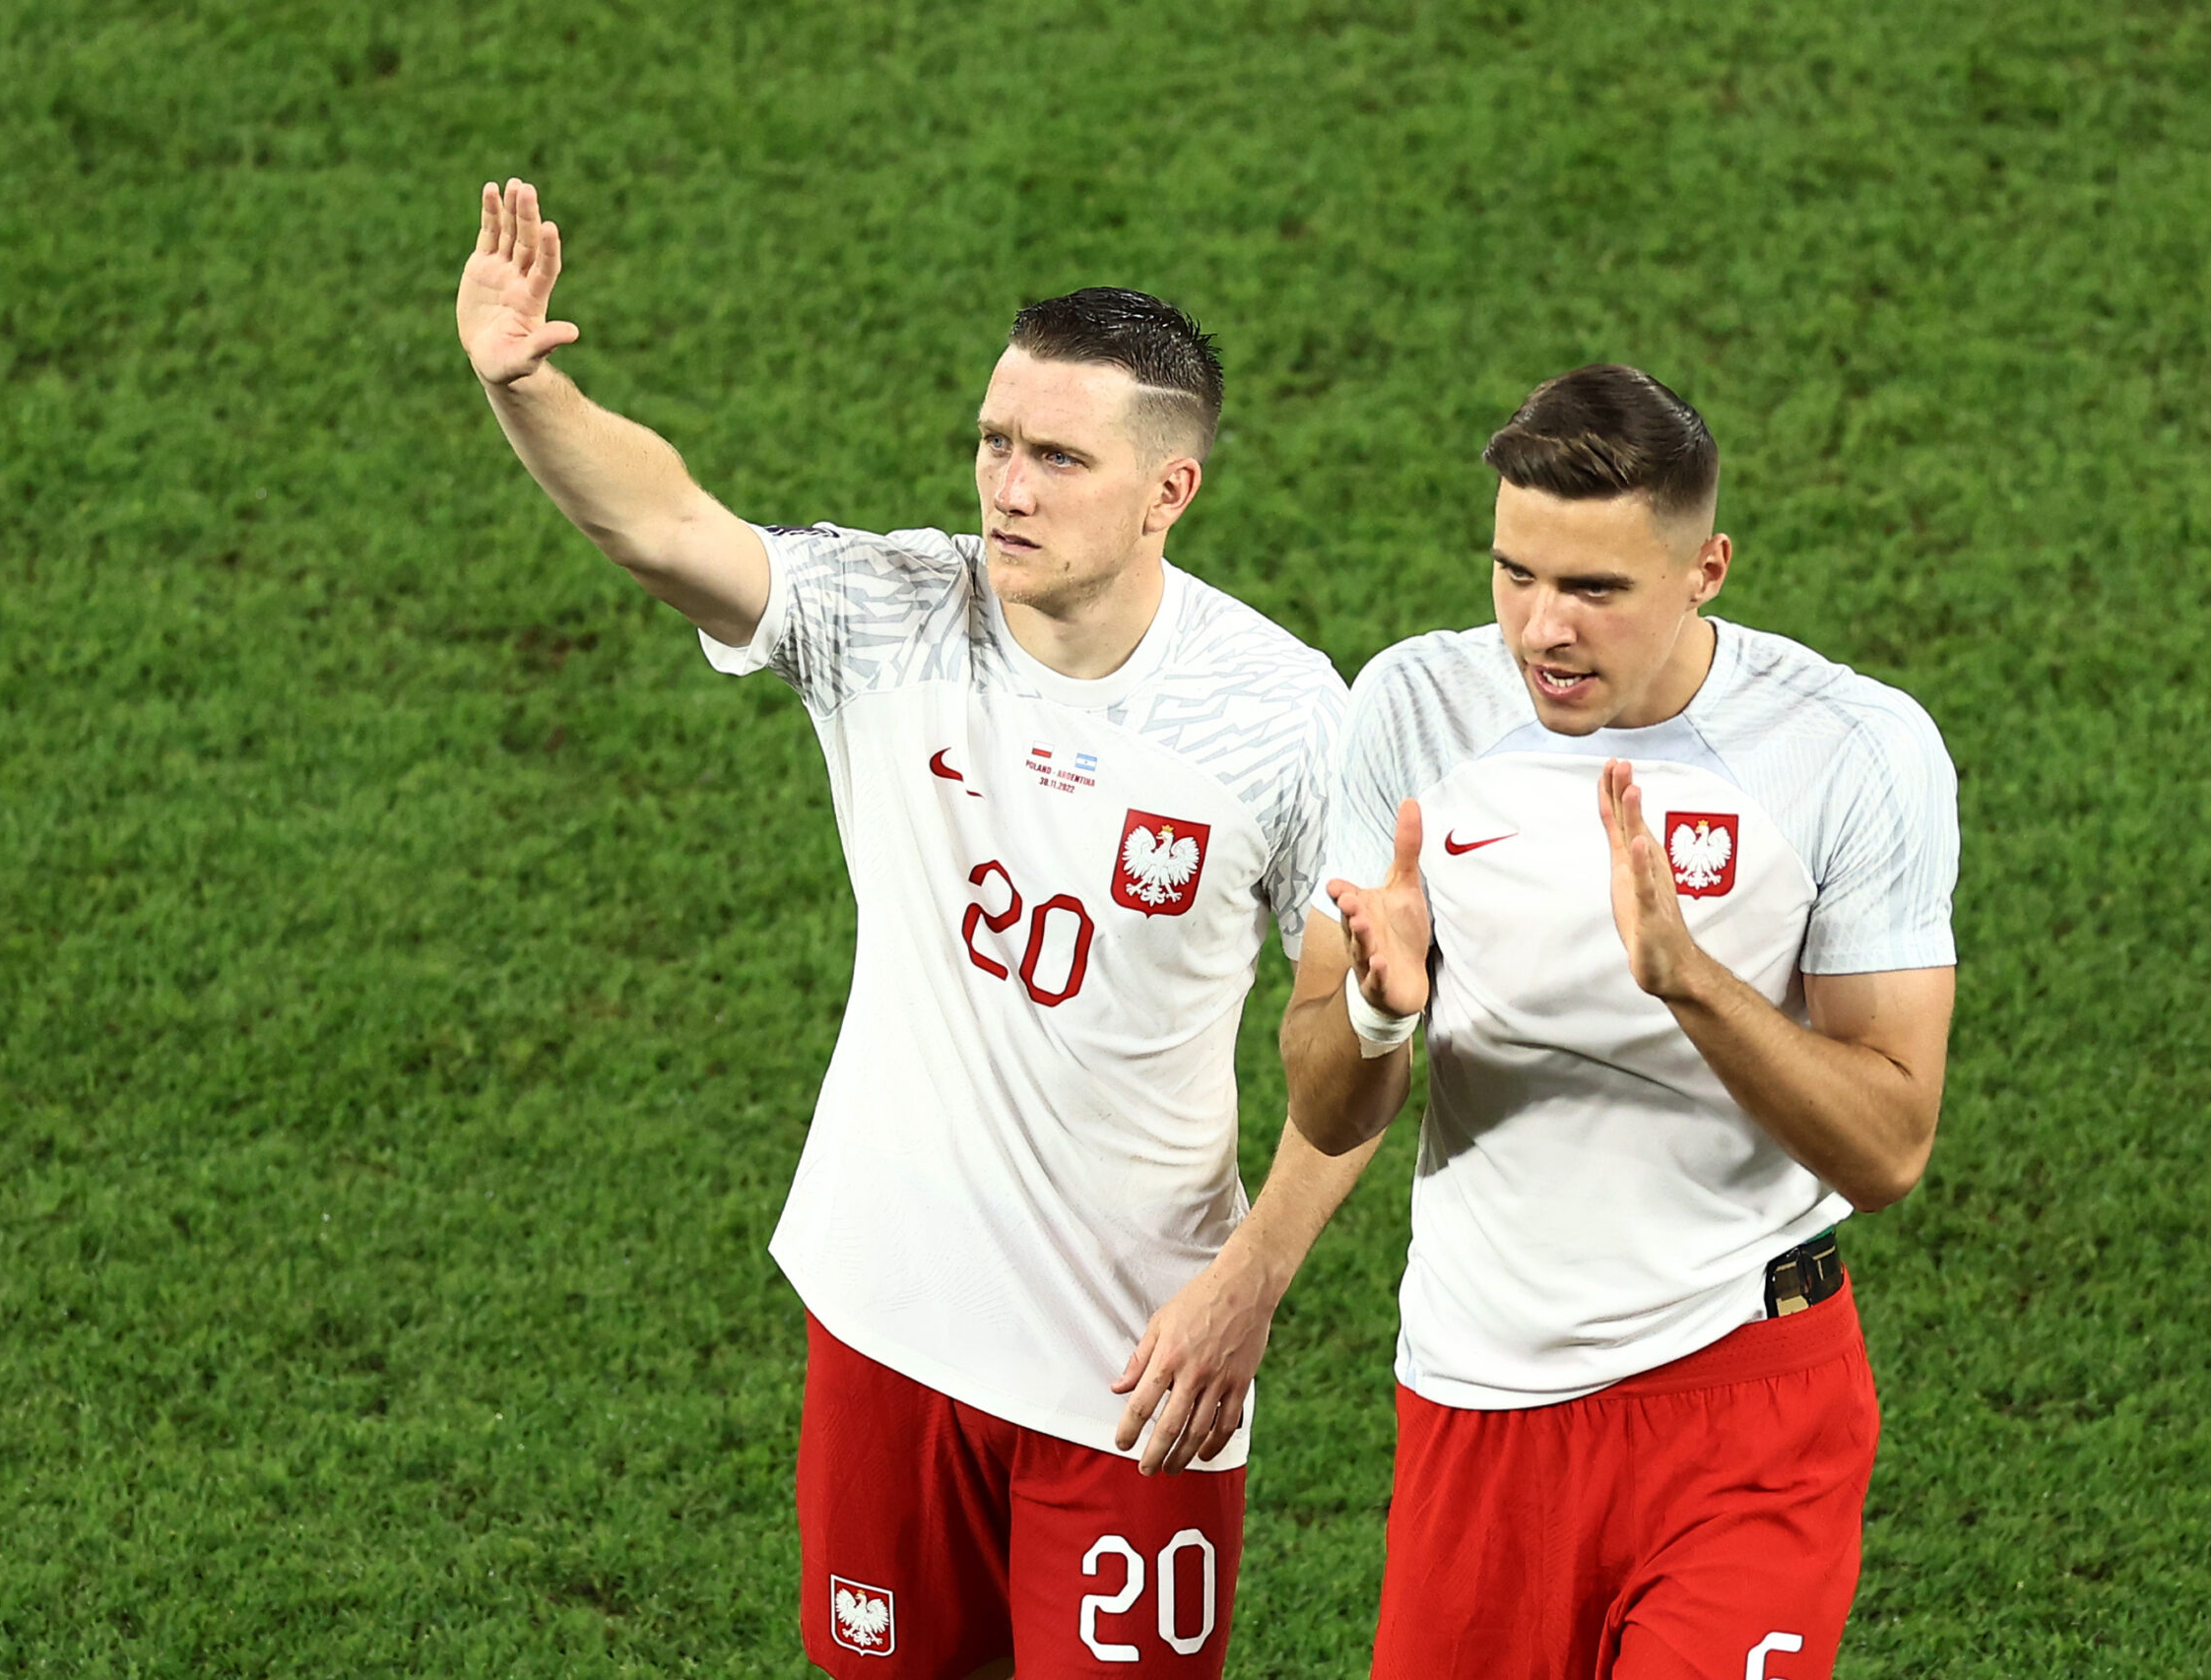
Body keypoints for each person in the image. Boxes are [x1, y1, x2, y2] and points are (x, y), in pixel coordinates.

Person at [456, 178, 1372, 1679]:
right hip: (886, 1328)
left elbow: (1361, 1043)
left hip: (1139, 1374)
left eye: (1058, 456)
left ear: (1169, 491)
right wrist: (525, 385)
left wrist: (1253, 1281)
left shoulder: (1283, 716)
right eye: (995, 441)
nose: (1008, 486)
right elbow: (667, 524)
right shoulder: (892, 610)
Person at [1283, 364, 1960, 1680]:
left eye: (1595, 589)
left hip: (1740, 1397)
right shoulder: (1416, 708)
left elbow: (1889, 1147)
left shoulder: (1849, 751)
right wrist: (1374, 1009)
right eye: (1515, 574)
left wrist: (1690, 979)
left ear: (1707, 569)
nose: (1543, 628)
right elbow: (1323, 1104)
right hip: (1477, 1398)